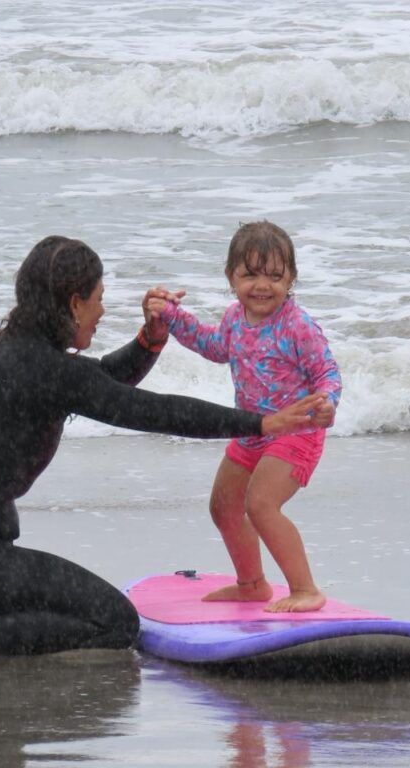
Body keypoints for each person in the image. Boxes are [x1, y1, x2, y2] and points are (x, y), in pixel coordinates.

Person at [0, 235, 330, 657]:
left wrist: (149, 342)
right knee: (113, 622)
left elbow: (100, 384)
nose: (102, 311)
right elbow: (154, 411)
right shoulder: (50, 372)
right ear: (74, 303)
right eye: (99, 300)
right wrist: (263, 422)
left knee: (65, 604)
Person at [145, 221, 341, 612]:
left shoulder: (297, 326)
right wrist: (171, 316)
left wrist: (327, 402)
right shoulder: (235, 319)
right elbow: (213, 345)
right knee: (223, 506)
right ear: (230, 277)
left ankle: (306, 589)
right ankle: (252, 584)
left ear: (291, 279)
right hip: (252, 432)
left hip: (296, 433)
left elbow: (327, 372)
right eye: (249, 274)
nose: (262, 285)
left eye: (274, 275)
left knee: (261, 505)